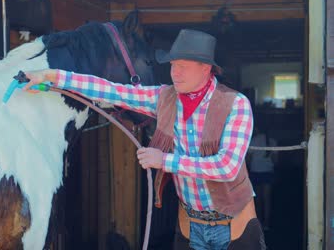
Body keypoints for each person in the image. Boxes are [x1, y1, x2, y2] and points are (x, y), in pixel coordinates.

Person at [24, 29, 266, 249]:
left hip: (235, 224)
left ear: (205, 69)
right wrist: (51, 76)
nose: (175, 72)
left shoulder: (235, 104)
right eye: (172, 65)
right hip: (190, 224)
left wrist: (164, 161)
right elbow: (112, 90)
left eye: (182, 66)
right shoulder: (164, 97)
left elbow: (227, 167)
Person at [247, 125, 277, 231]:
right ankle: (267, 224)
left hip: (255, 172)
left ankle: (258, 222)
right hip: (268, 172)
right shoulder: (272, 141)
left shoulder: (254, 140)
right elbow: (275, 160)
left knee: (258, 199)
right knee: (267, 199)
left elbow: (249, 158)